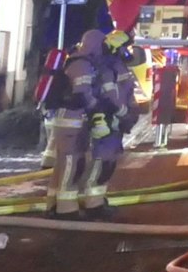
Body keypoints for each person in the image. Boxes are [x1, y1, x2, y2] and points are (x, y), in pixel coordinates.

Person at [79, 30, 140, 219]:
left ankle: (98, 200)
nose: (127, 51)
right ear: (115, 47)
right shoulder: (108, 67)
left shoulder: (116, 65)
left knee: (109, 163)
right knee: (102, 162)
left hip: (115, 121)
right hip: (110, 120)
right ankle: (93, 205)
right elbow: (112, 96)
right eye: (124, 47)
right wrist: (124, 113)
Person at [42, 30, 103, 219]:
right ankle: (66, 209)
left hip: (68, 119)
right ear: (94, 45)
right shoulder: (82, 64)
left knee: (63, 164)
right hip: (72, 120)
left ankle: (53, 204)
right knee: (72, 164)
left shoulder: (77, 60)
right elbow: (82, 93)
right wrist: (99, 108)